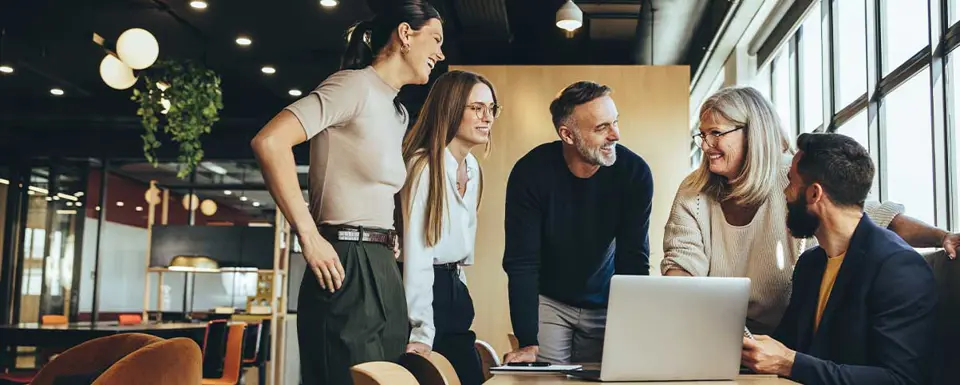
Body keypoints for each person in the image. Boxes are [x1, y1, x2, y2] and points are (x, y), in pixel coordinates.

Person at [249, 2, 445, 384]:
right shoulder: (352, 85)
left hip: (381, 263)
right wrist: (308, 235)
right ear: (405, 35)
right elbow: (270, 142)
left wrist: (387, 239)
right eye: (435, 39)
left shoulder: (397, 112)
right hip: (343, 260)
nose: (441, 53)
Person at [661, 86, 957, 336]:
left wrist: (942, 236)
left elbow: (871, 217)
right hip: (717, 331)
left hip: (790, 336)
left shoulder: (793, 178)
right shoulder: (695, 191)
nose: (706, 145)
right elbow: (681, 264)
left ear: (753, 134)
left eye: (715, 133)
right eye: (702, 135)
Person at [741, 133, 938, 385]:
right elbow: (787, 346)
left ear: (814, 194)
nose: (785, 192)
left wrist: (790, 363)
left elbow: (901, 379)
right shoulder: (811, 264)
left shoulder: (900, 268)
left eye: (790, 182)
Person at [501, 81, 654, 364]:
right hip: (550, 301)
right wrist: (527, 340)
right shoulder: (530, 173)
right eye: (602, 128)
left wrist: (634, 328)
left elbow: (633, 258)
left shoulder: (635, 174)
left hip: (609, 300)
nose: (616, 135)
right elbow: (522, 262)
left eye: (615, 122)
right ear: (567, 135)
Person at [398, 70, 499, 385]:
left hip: (454, 289)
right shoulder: (423, 167)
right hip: (423, 294)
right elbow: (418, 255)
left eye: (492, 109)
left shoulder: (472, 168)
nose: (487, 118)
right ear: (452, 109)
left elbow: (460, 250)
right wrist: (422, 331)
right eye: (477, 108)